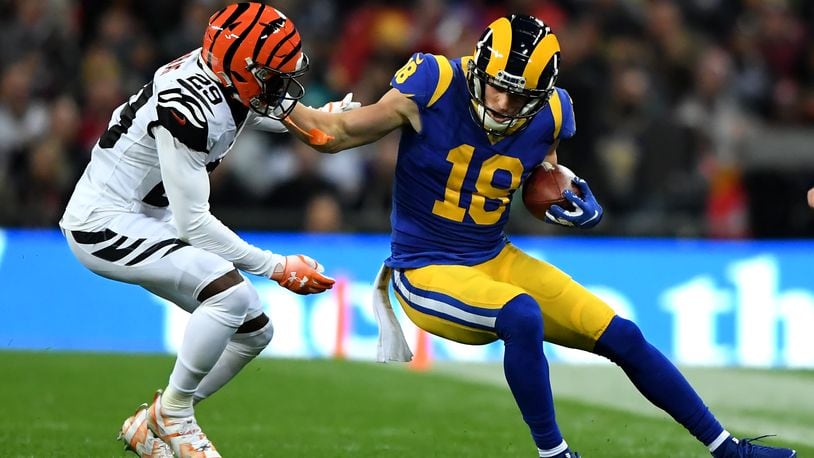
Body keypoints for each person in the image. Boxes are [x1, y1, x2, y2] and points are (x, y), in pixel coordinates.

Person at [282, 14, 797, 458]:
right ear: (478, 67)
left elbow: (542, 173)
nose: (504, 102)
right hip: (425, 267)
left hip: (492, 255)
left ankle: (729, 449)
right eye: (496, 85)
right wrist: (278, 104)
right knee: (521, 314)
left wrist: (571, 195)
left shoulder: (552, 112)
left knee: (624, 336)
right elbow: (341, 134)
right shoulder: (434, 83)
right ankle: (554, 452)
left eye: (520, 93)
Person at [59, 3, 347, 457]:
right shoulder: (189, 104)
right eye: (273, 74)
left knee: (255, 332)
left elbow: (260, 108)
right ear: (241, 68)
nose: (281, 84)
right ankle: (174, 414)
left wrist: (318, 116)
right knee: (230, 295)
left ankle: (157, 418)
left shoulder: (222, 75)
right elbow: (195, 223)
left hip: (150, 215)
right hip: (105, 221)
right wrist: (276, 268)